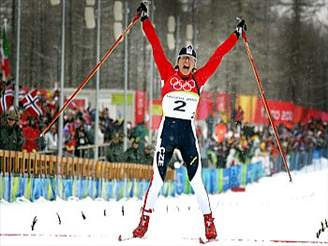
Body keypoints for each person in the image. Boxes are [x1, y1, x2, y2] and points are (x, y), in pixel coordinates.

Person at [132, 2, 246, 240]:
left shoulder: (198, 79)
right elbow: (155, 45)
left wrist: (236, 35)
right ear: (178, 61)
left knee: (196, 181)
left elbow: (218, 55)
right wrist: (144, 19)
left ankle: (209, 225)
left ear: (194, 64)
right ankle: (143, 223)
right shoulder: (167, 72)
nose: (186, 62)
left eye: (190, 60)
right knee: (158, 179)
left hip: (186, 133)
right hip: (167, 130)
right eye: (183, 58)